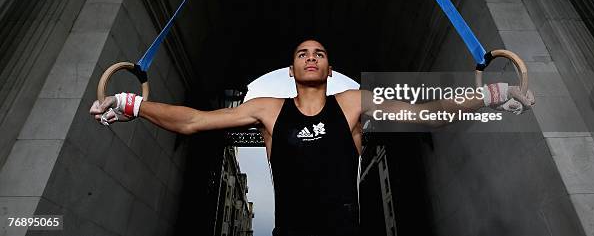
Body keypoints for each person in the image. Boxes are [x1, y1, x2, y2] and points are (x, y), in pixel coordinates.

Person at [90, 39, 534, 236]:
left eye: (319, 53)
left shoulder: (354, 102)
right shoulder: (266, 109)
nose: (311, 58)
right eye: (302, 53)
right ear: (291, 69)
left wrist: (494, 94)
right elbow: (192, 121)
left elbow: (427, 115)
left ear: (327, 65)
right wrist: (130, 103)